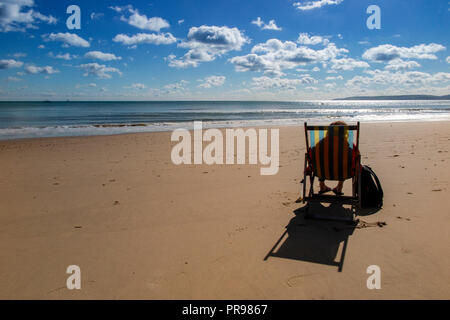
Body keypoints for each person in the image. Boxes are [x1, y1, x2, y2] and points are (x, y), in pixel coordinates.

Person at [314, 121, 356, 196]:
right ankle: (339, 187)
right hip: (343, 173)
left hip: (321, 172)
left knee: (320, 160)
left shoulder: (320, 144)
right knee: (344, 161)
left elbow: (311, 156)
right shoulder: (347, 145)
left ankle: (322, 185)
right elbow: (356, 156)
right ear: (344, 132)